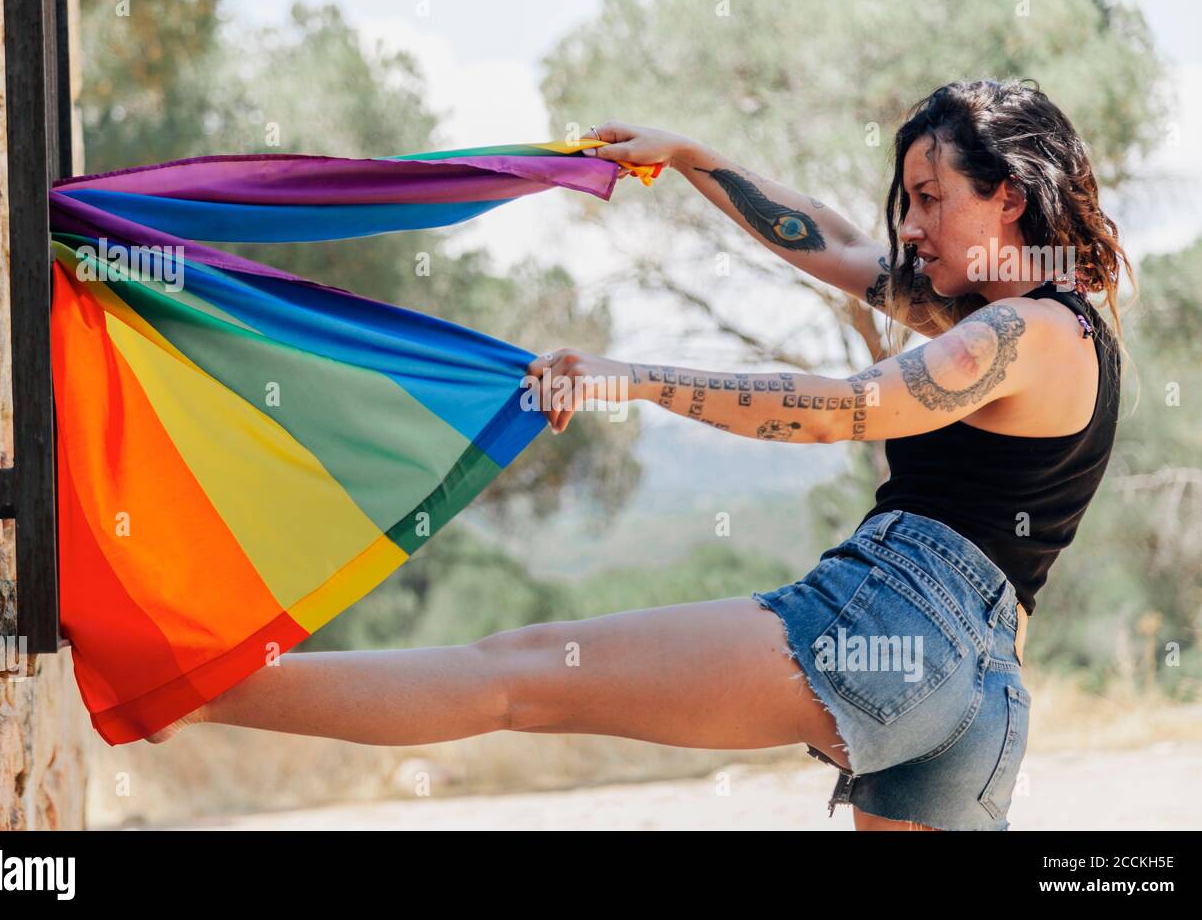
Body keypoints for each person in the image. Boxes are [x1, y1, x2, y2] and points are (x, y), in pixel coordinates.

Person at [148, 79, 1131, 832]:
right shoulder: (1064, 330)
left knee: (522, 673)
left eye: (929, 196)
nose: (909, 225)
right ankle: (192, 690)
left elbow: (847, 407)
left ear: (1006, 194)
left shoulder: (1020, 331)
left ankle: (189, 686)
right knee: (521, 677)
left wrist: (635, 377)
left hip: (902, 617)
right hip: (983, 693)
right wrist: (697, 159)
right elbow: (829, 243)